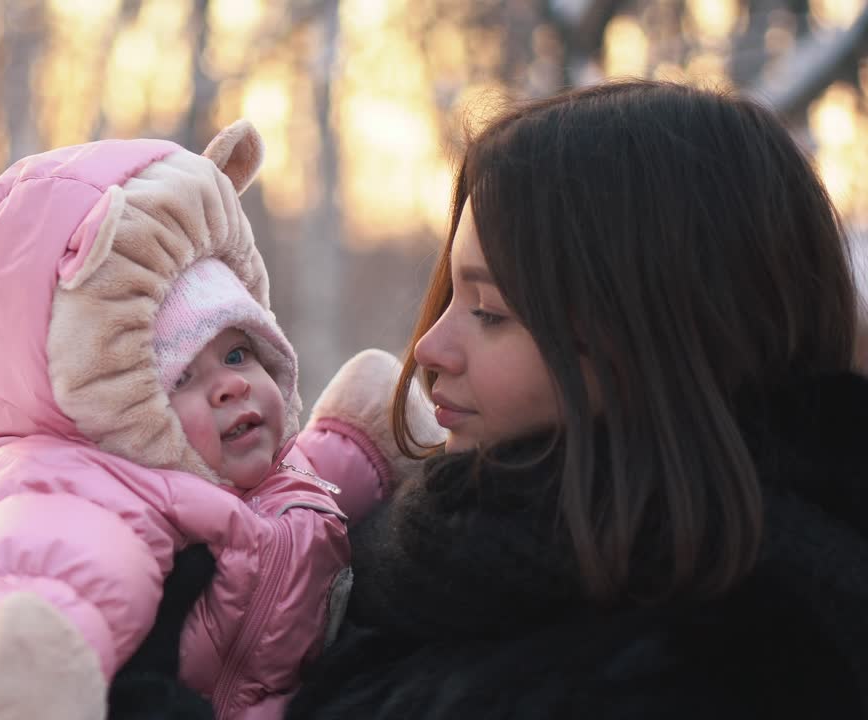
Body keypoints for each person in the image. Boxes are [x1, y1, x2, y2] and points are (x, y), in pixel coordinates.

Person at [285, 80, 868, 719]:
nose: (429, 348)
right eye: (453, 294)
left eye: (490, 312)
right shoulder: (433, 563)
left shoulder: (714, 665)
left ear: (659, 343)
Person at [0, 120, 439, 720]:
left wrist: (362, 441)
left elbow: (297, 493)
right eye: (183, 376)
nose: (231, 385)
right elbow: (31, 587)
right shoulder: (87, 502)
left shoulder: (260, 471)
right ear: (118, 403)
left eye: (237, 353)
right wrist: (24, 684)